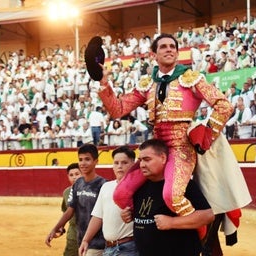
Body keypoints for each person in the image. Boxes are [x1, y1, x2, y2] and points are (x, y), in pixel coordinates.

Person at [98, 33, 233, 217]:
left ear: (177, 54)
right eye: (163, 46)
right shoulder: (147, 84)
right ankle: (145, 226)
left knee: (173, 197)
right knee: (121, 194)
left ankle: (199, 236)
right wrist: (104, 82)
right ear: (154, 55)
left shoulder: (191, 78)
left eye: (172, 46)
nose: (169, 49)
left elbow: (224, 105)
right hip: (155, 148)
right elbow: (118, 110)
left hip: (182, 146)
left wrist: (207, 132)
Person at [120, 139, 215, 256]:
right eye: (140, 160)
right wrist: (129, 215)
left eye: (147, 159)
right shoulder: (139, 187)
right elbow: (145, 216)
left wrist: (172, 222)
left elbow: (207, 216)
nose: (142, 165)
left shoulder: (183, 185)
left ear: (163, 158)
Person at [45, 144, 107, 256]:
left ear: (96, 161)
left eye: (87, 159)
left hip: (98, 242)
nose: (83, 163)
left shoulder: (103, 185)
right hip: (80, 239)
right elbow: (70, 210)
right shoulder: (78, 183)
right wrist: (56, 228)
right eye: (80, 160)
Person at [79, 146, 138, 256]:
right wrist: (86, 240)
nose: (119, 166)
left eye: (124, 162)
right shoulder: (106, 186)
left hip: (129, 247)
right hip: (108, 248)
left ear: (133, 164)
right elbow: (98, 216)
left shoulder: (138, 188)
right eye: (116, 163)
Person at [61, 163, 82, 256]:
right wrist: (61, 226)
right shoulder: (66, 192)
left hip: (90, 235)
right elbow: (65, 212)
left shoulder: (91, 189)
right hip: (72, 235)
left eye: (77, 174)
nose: (74, 177)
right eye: (71, 175)